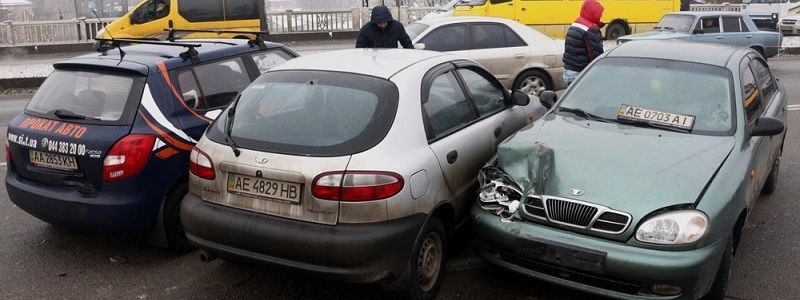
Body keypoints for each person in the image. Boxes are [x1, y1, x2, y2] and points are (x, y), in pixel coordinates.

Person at [563, 0, 605, 86]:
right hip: (579, 74)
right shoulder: (590, 28)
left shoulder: (576, 23)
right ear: (594, 12)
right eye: (599, 13)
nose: (601, 15)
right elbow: (596, 55)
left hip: (568, 71)